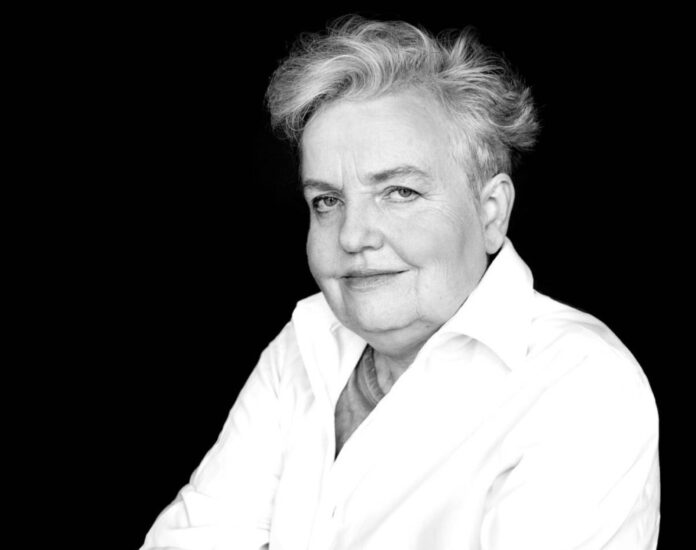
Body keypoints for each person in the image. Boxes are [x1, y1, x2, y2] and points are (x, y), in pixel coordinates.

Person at [141, 16, 660, 550]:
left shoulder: (583, 385)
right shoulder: (303, 343)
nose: (353, 236)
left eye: (400, 192)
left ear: (490, 212)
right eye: (327, 201)